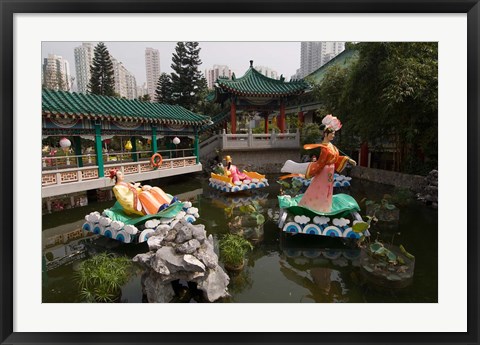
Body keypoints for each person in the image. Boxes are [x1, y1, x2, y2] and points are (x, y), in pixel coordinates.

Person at [281, 115, 356, 213]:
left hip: (330, 170)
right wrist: (312, 170)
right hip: (324, 171)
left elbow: (336, 158)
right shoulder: (324, 148)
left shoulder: (331, 146)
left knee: (328, 188)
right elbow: (321, 162)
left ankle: (326, 207)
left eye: (334, 134)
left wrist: (348, 159)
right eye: (332, 134)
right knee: (321, 188)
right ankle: (317, 207)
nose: (333, 135)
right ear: (325, 134)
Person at [109, 169, 174, 216]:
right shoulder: (116, 188)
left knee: (153, 189)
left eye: (122, 173)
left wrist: (143, 188)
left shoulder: (126, 184)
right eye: (119, 174)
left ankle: (169, 202)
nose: (122, 175)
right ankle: (157, 209)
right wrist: (133, 188)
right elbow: (124, 199)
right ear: (115, 177)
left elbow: (136, 190)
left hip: (137, 196)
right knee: (144, 194)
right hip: (132, 202)